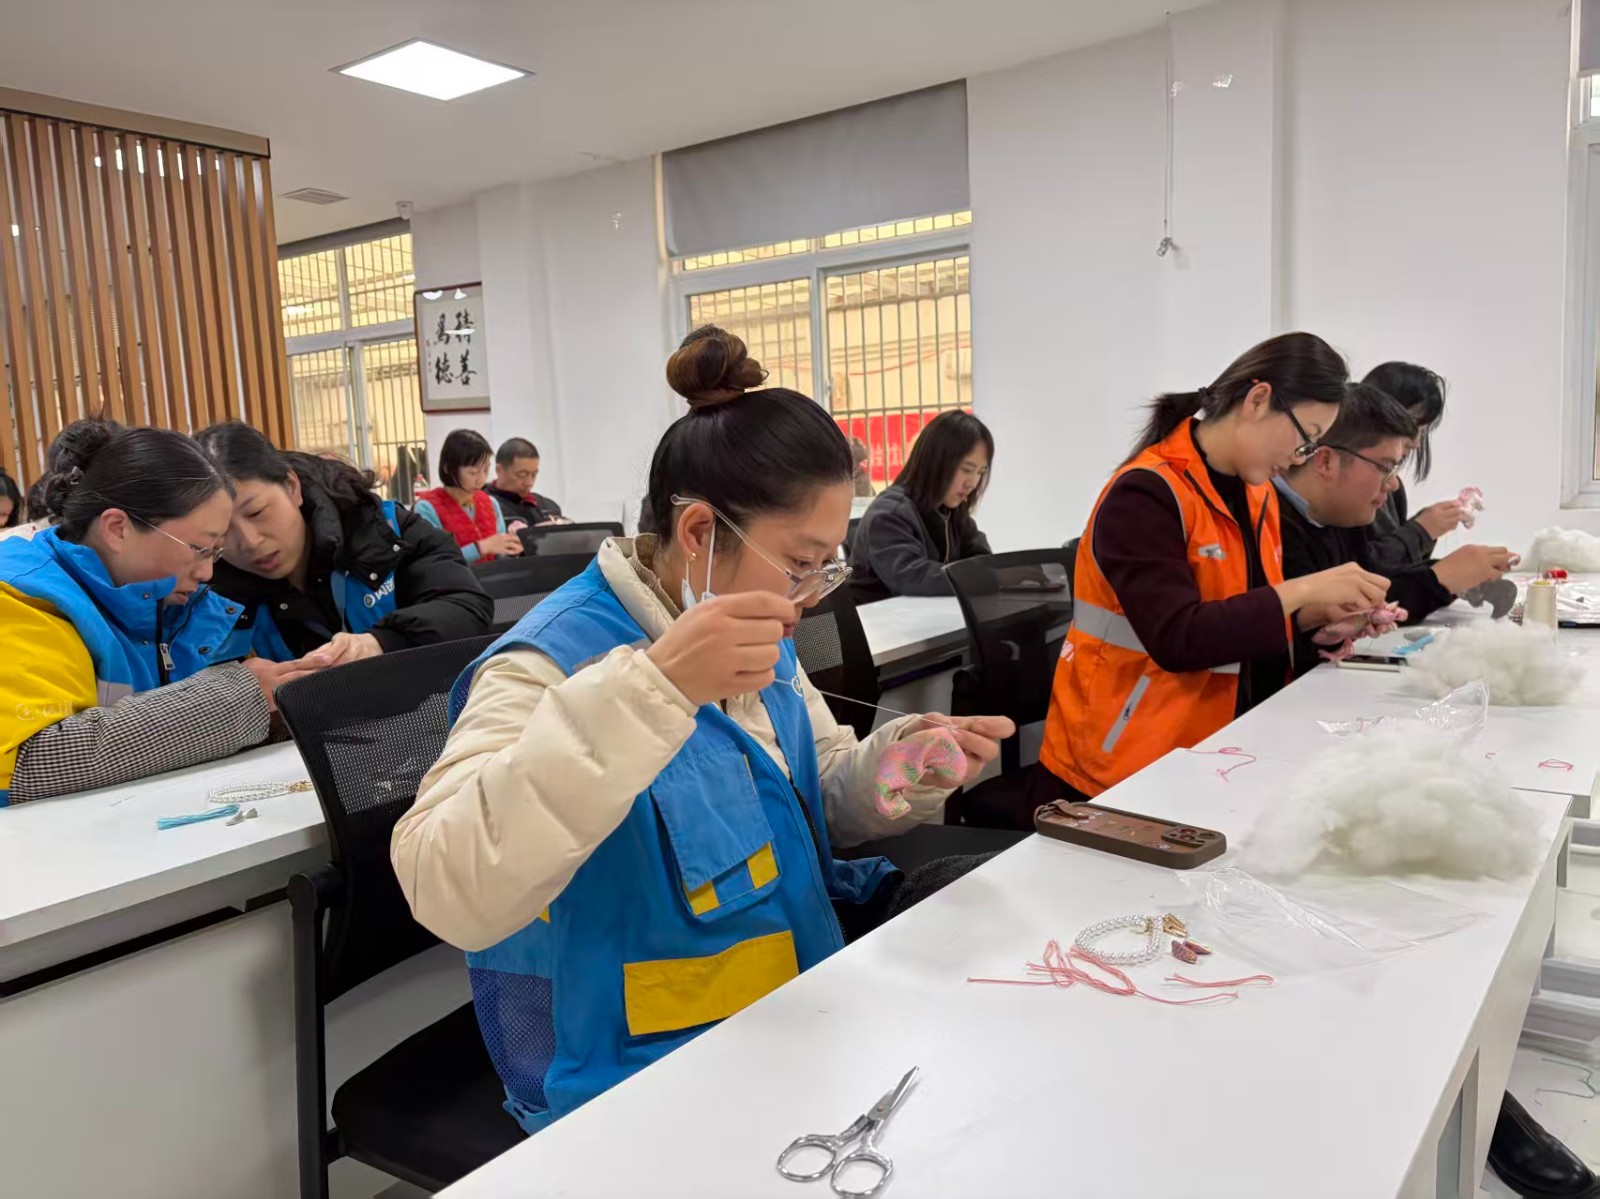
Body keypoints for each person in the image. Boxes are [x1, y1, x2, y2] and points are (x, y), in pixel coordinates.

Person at [391, 325, 1017, 1132]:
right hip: (645, 1084)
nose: (811, 595)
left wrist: (908, 768)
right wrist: (657, 689)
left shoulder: (752, 631)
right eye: (801, 563)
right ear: (698, 533)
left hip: (796, 1018)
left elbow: (817, 797)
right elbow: (446, 886)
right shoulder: (548, 661)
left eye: (827, 566)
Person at [1038, 332, 1392, 800]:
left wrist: (1315, 622)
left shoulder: (1256, 493)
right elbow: (1180, 639)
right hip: (1128, 762)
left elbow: (1238, 619)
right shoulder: (1146, 494)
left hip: (1223, 747)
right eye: (1305, 438)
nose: (1298, 458)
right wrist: (1303, 591)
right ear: (1258, 401)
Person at [0, 421, 311, 806]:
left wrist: (282, 707)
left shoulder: (178, 607)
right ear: (117, 528)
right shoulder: (20, 597)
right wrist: (239, 696)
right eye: (199, 548)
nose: (207, 572)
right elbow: (29, 764)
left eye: (216, 552)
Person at [196, 421, 493, 664]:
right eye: (221, 531)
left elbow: (466, 605)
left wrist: (381, 643)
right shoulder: (205, 591)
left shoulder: (383, 529)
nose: (249, 542)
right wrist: (239, 688)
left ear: (291, 486)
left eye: (257, 512)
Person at [1274, 383, 1516, 672]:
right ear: (1325, 461)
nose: (1392, 483)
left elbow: (1369, 592)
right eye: (1385, 467)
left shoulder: (1341, 515)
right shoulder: (1271, 525)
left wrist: (1443, 575)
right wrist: (1438, 578)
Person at [848, 410, 994, 602]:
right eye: (966, 469)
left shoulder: (952, 511)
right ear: (936, 462)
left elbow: (983, 561)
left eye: (980, 472)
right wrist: (987, 577)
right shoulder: (889, 514)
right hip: (879, 619)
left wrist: (996, 574)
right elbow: (915, 578)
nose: (973, 483)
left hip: (928, 617)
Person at [1361, 361, 1466, 574]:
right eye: (1413, 425)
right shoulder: (1352, 485)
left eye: (1423, 432)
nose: (1416, 443)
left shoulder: (1394, 490)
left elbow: (1400, 571)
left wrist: (1426, 530)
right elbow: (1365, 569)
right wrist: (1422, 530)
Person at [413, 429, 523, 563]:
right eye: (473, 472)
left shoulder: (491, 503)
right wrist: (481, 547)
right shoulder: (427, 508)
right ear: (448, 469)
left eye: (486, 470)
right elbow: (434, 561)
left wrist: (513, 547)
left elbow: (500, 553)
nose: (481, 479)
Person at [485, 436, 569, 528]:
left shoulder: (548, 508)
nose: (529, 483)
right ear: (499, 470)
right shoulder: (481, 505)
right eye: (522, 474)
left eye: (534, 474)